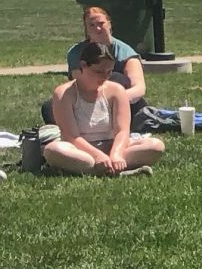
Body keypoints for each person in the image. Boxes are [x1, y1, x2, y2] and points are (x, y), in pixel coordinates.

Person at [44, 41, 166, 176]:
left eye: (109, 72)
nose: (104, 77)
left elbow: (122, 131)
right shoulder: (64, 93)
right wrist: (97, 156)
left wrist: (116, 154)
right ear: (83, 66)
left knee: (156, 145)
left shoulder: (116, 90)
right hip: (81, 151)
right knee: (53, 150)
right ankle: (116, 171)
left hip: (113, 146)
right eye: (99, 71)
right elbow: (71, 136)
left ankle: (100, 169)